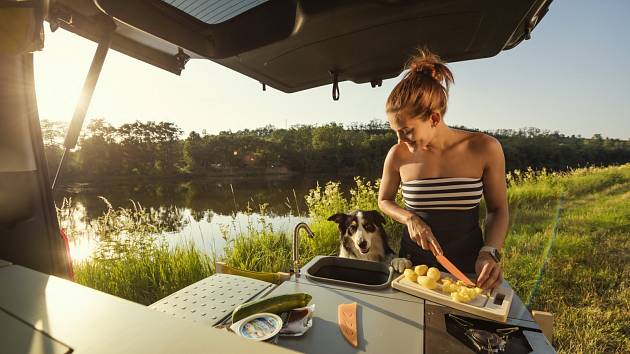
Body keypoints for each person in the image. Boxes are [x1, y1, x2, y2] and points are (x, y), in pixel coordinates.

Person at [377, 48, 508, 290]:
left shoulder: (485, 148)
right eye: (395, 132)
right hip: (413, 269)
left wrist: (489, 252)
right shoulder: (397, 154)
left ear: (434, 119)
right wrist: (410, 218)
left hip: (469, 268)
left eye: (406, 131)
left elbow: (498, 210)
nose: (399, 141)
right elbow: (384, 200)